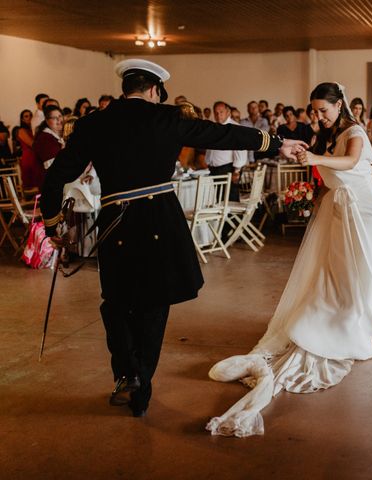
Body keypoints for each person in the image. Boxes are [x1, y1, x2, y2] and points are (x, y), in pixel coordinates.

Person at [40, 59, 304, 418]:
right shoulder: (166, 118)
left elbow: (55, 176)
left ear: (127, 88)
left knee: (115, 301)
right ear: (153, 90)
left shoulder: (93, 124)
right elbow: (222, 133)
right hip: (158, 221)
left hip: (116, 222)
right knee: (153, 304)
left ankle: (126, 371)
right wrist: (276, 143)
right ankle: (140, 385)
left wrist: (54, 223)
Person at [207, 82, 372, 437]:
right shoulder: (324, 136)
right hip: (338, 208)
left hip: (365, 209)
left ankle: (356, 321)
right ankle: (336, 315)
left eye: (324, 110)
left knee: (358, 270)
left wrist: (317, 159)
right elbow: (327, 175)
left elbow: (351, 161)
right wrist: (310, 192)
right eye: (314, 111)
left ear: (340, 106)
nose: (318, 116)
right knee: (333, 270)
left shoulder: (354, 131)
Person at [205, 101, 248, 202]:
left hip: (228, 169)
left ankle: (232, 218)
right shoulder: (214, 127)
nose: (218, 115)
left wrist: (236, 171)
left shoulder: (235, 127)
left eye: (221, 112)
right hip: (214, 170)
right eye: (216, 112)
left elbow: (240, 150)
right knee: (219, 199)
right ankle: (223, 218)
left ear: (228, 113)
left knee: (229, 200)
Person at [33, 105, 65, 175]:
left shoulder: (59, 135)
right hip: (50, 180)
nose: (59, 120)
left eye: (60, 116)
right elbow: (54, 167)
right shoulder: (45, 138)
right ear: (47, 121)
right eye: (54, 118)